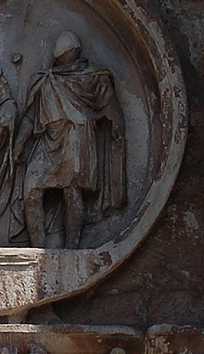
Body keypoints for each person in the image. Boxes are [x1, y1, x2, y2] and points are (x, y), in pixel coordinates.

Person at [20, 31, 125, 249]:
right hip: (49, 138)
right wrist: (18, 143)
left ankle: (71, 248)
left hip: (77, 135)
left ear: (74, 51)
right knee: (31, 190)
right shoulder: (45, 79)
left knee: (72, 191)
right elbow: (30, 116)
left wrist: (117, 127)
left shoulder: (92, 77)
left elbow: (110, 105)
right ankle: (38, 247)